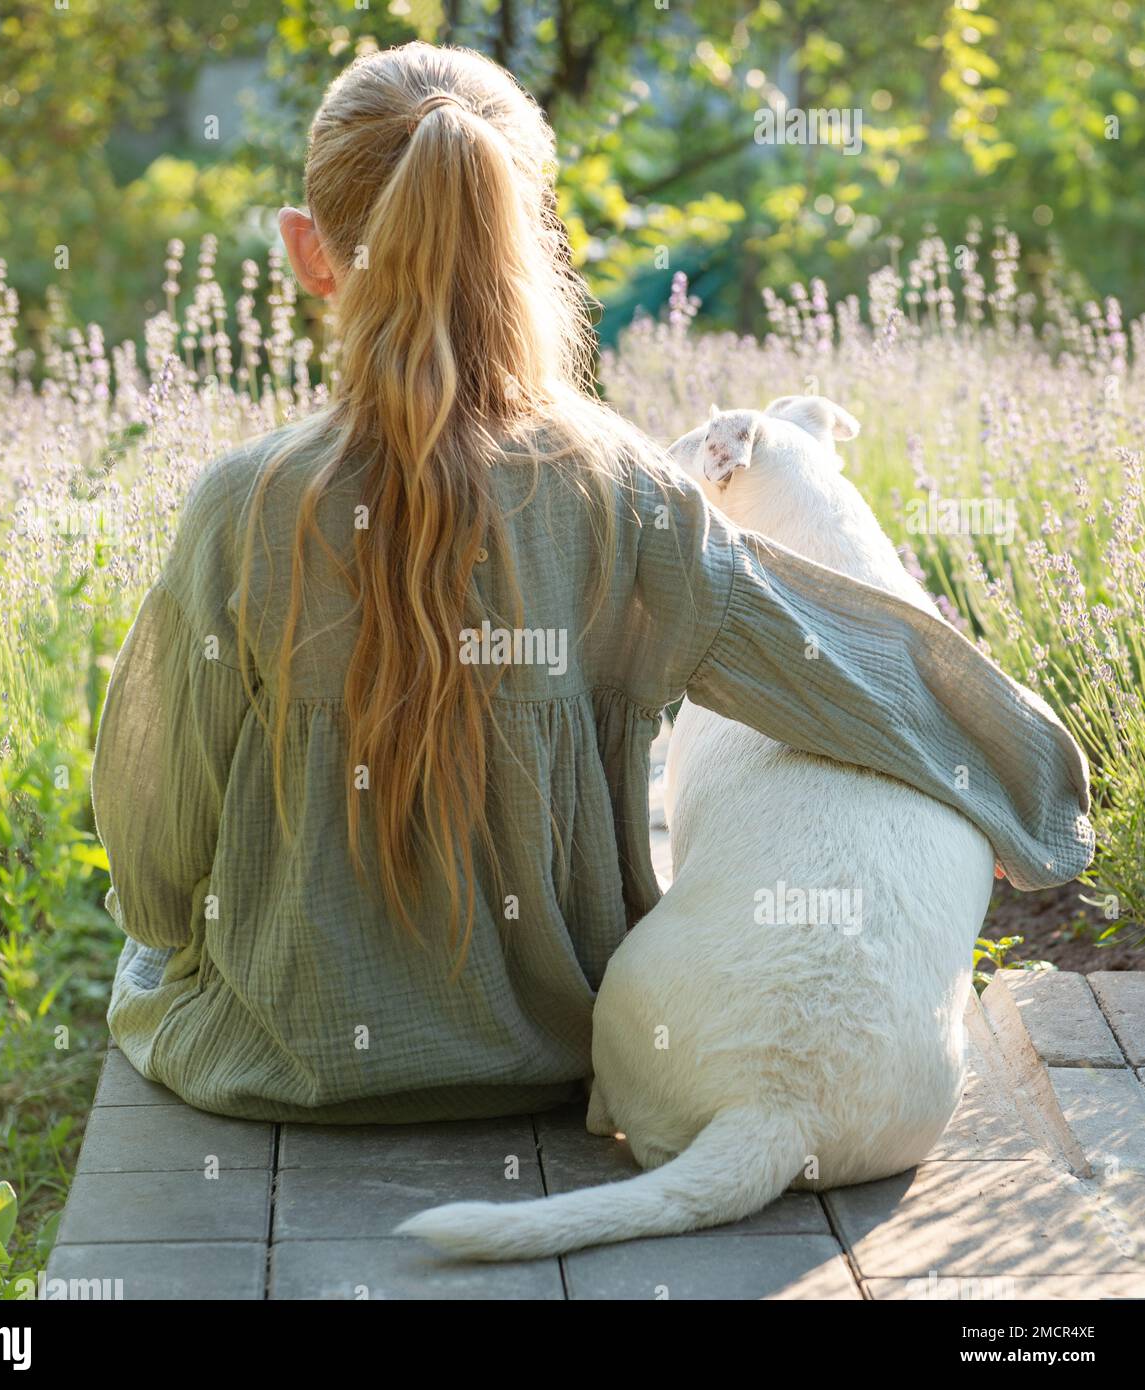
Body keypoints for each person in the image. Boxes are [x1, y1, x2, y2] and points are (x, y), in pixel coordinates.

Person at [90, 42, 1093, 1124]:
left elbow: (155, 835)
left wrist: (167, 926)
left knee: (143, 967)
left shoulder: (241, 506)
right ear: (527, 246)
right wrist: (1014, 791)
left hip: (279, 1065)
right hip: (560, 1049)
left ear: (308, 252)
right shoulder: (618, 486)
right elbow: (831, 663)